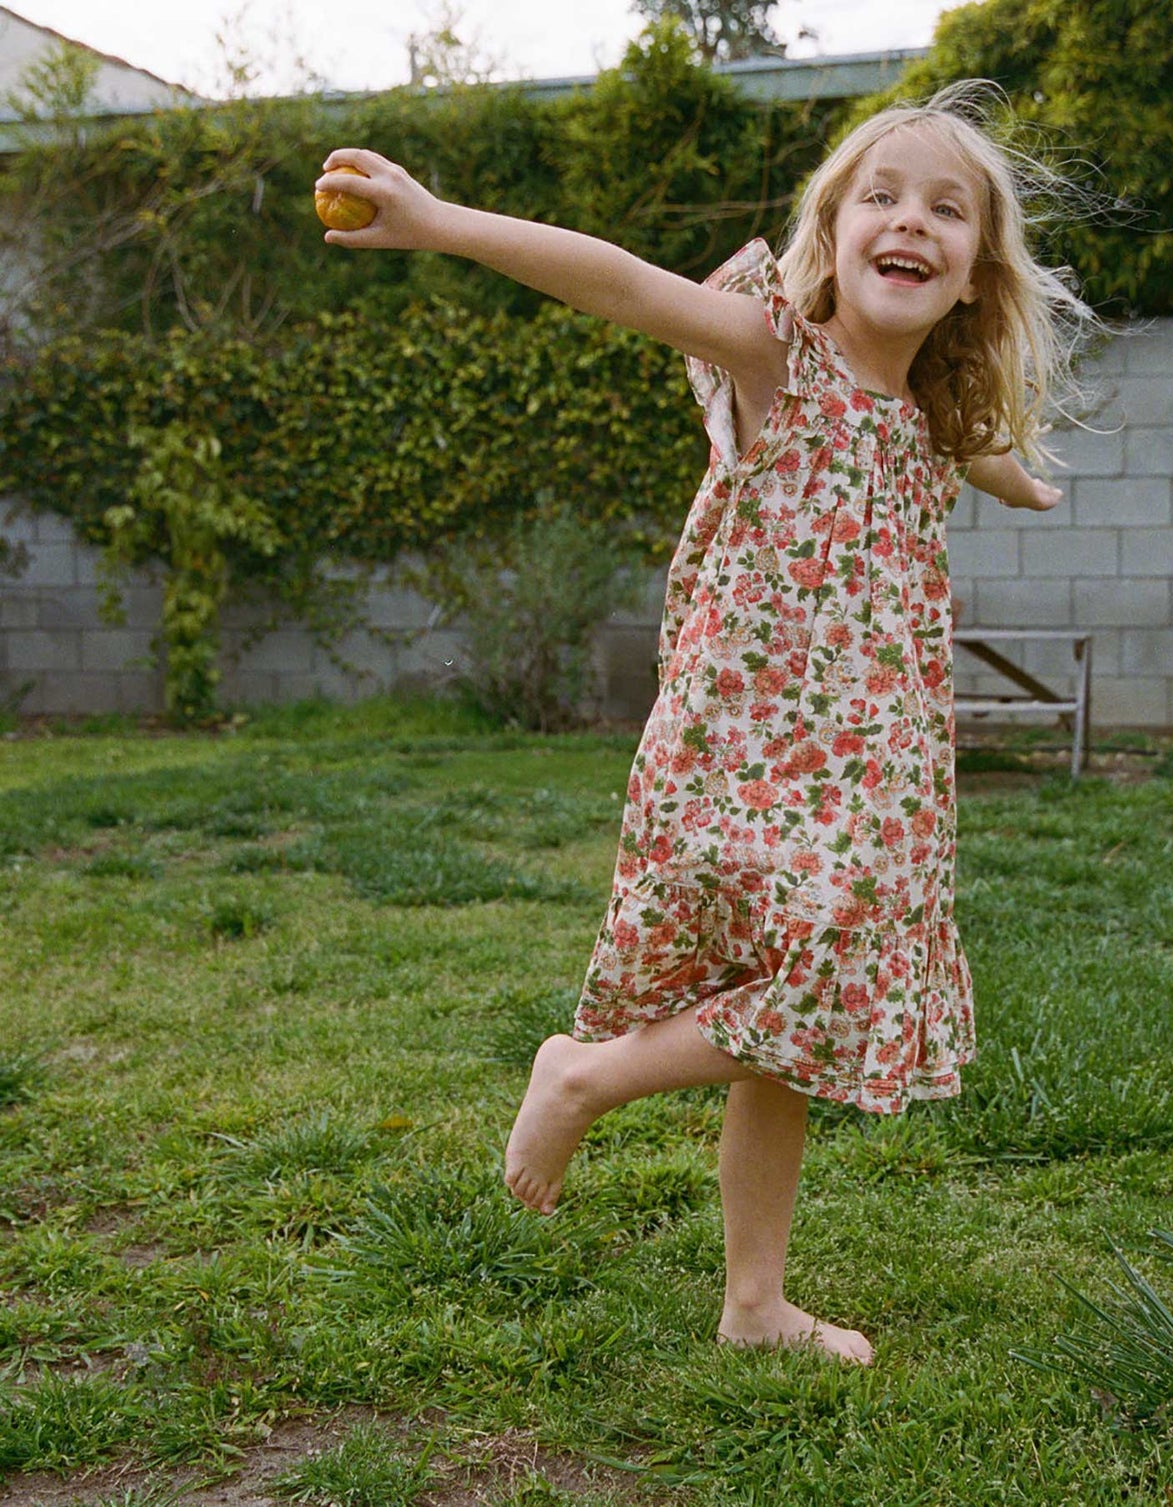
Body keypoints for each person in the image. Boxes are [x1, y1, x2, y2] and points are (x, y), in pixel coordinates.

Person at [318, 85, 1091, 1365]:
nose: (912, 221)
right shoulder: (776, 355)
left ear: (975, 278)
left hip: (875, 772)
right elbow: (619, 280)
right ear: (832, 239)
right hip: (751, 756)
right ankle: (584, 1074)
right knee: (825, 982)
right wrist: (443, 222)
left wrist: (1025, 478)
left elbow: (976, 444)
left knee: (777, 1035)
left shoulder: (927, 424)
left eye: (947, 212)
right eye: (882, 199)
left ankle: (753, 1305)